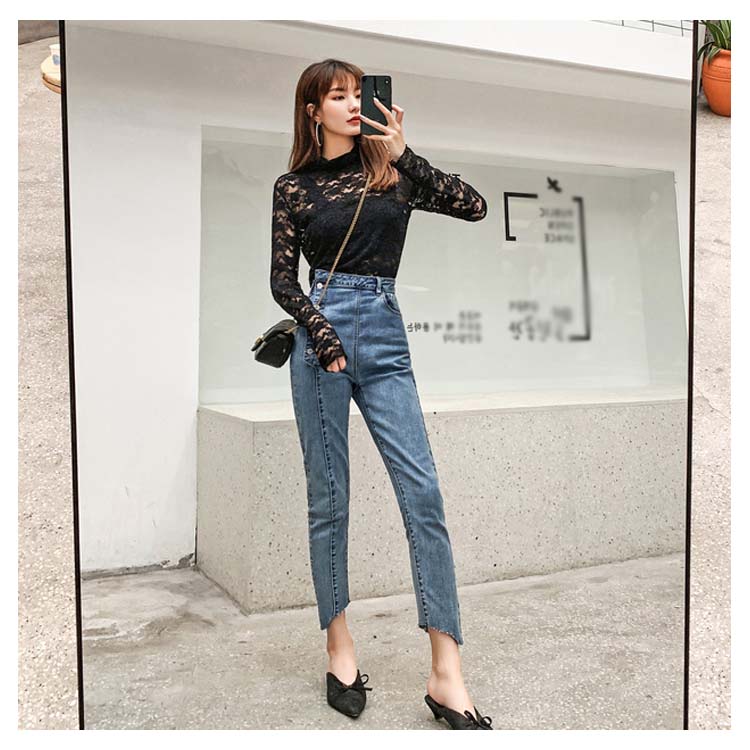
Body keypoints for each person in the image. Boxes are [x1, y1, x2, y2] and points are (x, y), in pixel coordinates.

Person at [270, 58, 492, 730]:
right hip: (321, 338)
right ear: (313, 111)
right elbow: (283, 280)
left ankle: (446, 671)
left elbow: (474, 206)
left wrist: (404, 153)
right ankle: (339, 648)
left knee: (422, 492)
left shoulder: (392, 173)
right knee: (329, 498)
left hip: (386, 330)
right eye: (336, 95)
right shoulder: (294, 186)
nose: (351, 103)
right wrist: (321, 334)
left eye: (356, 93)